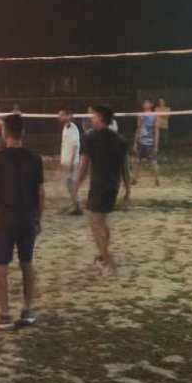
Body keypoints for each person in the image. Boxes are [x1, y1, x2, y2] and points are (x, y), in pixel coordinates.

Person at [0, 114, 44, 330]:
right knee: (27, 263)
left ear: (5, 132)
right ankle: (28, 310)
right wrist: (38, 219)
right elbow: (41, 193)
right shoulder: (35, 159)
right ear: (23, 132)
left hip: (5, 220)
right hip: (28, 219)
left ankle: (5, 314)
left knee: (0, 267)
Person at [74, 106, 131, 277]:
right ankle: (103, 256)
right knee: (102, 221)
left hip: (99, 186)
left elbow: (84, 166)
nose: (91, 118)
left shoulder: (90, 138)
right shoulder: (119, 139)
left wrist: (76, 185)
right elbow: (125, 167)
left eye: (93, 116)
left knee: (95, 223)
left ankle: (108, 262)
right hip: (113, 186)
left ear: (100, 118)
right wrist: (128, 189)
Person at [58, 108, 82, 215]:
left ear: (68, 116)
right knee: (69, 184)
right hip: (67, 161)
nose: (59, 117)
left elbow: (75, 146)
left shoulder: (73, 128)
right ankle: (75, 204)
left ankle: (77, 206)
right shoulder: (65, 128)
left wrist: (72, 162)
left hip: (71, 162)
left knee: (71, 184)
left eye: (62, 115)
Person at [132, 98, 161, 186]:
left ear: (151, 105)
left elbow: (156, 131)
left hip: (150, 143)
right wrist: (135, 143)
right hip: (140, 142)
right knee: (137, 161)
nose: (144, 104)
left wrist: (156, 146)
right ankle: (135, 179)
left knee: (153, 162)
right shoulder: (140, 115)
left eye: (147, 103)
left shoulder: (155, 115)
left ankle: (157, 180)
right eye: (144, 103)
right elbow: (138, 129)